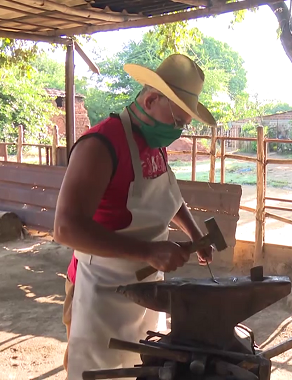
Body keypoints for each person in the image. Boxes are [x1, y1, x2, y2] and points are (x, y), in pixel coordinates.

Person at [54, 54, 216, 378]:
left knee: (144, 368)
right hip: (100, 289)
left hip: (147, 285)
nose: (178, 131)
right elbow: (65, 228)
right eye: (178, 122)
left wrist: (195, 233)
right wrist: (148, 252)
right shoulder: (101, 144)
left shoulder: (154, 143)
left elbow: (169, 196)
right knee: (99, 371)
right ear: (152, 98)